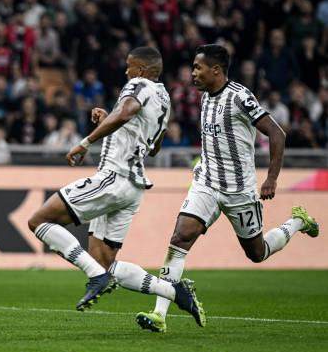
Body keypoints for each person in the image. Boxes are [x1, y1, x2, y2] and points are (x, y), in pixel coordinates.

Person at [136, 44, 319, 333]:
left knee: (257, 253)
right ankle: (160, 315)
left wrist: (271, 179)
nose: (193, 73)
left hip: (239, 191)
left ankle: (297, 221)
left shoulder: (239, 97)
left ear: (216, 70)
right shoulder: (205, 97)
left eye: (198, 68)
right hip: (206, 183)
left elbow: (277, 133)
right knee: (180, 237)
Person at [27, 47, 205, 326]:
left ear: (142, 70)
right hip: (133, 187)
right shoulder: (164, 98)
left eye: (129, 66)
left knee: (39, 221)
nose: (126, 71)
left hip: (114, 177)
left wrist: (86, 141)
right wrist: (109, 117)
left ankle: (96, 277)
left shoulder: (138, 84)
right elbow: (154, 146)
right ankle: (175, 292)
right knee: (104, 261)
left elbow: (126, 112)